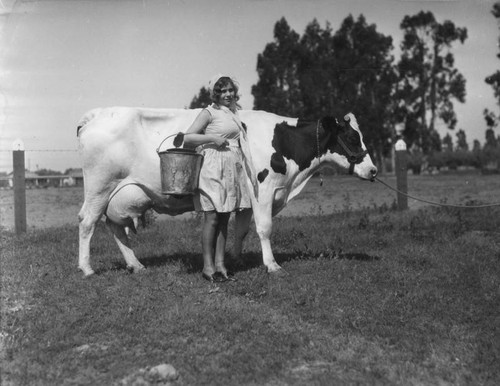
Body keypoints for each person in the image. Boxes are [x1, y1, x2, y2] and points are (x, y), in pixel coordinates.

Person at [183, 75, 253, 283]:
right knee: (212, 216)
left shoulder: (233, 113)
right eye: (223, 91)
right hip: (213, 166)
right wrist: (212, 138)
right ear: (215, 94)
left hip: (231, 166)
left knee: (224, 217)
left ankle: (221, 264)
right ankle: (208, 266)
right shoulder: (209, 112)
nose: (228, 94)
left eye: (230, 90)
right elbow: (187, 138)